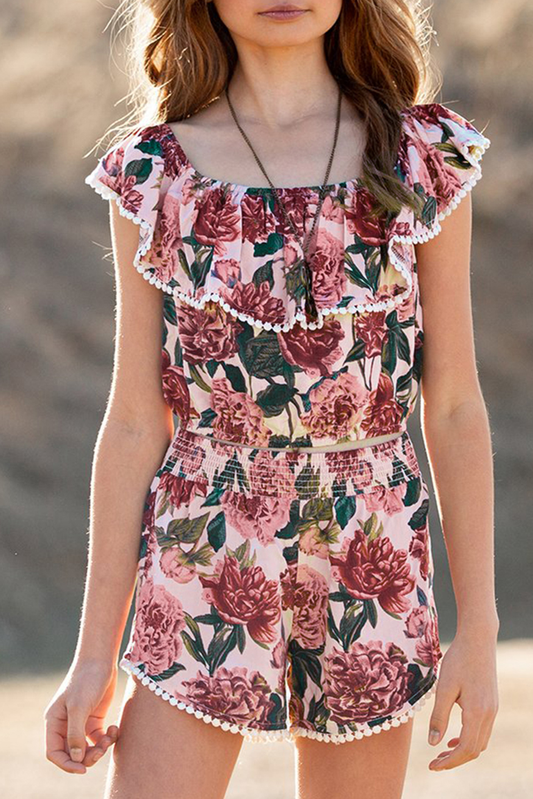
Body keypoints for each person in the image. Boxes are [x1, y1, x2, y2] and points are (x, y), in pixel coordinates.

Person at [44, 1, 499, 797]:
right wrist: (93, 656)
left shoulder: (420, 156)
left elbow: (455, 403)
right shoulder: (156, 175)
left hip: (374, 541)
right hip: (203, 537)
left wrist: (480, 631)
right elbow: (131, 421)